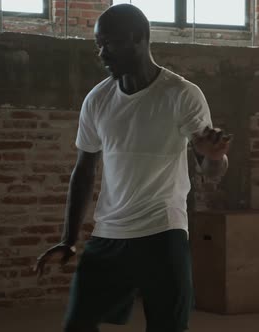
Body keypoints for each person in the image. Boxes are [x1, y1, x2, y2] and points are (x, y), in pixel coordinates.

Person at [34, 4, 231, 332]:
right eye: (98, 45)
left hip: (163, 232)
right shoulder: (98, 100)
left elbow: (212, 173)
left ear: (138, 38)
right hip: (110, 233)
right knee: (77, 324)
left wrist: (213, 156)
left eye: (108, 44)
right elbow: (84, 169)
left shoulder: (182, 95)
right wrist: (68, 239)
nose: (102, 53)